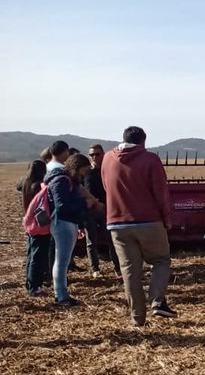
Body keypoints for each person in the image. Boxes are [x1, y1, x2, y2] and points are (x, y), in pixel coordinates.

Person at [102, 126, 176, 326]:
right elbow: (160, 192)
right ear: (143, 141)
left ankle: (137, 318)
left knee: (130, 271)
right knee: (161, 260)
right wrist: (166, 217)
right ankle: (157, 300)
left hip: (116, 222)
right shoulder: (150, 159)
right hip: (148, 220)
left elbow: (106, 186)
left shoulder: (108, 159)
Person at [45, 153, 95, 307]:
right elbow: (62, 207)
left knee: (62, 261)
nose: (85, 174)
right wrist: (84, 203)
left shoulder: (63, 180)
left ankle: (62, 294)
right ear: (77, 168)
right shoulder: (61, 181)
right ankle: (61, 296)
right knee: (61, 262)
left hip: (67, 223)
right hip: (62, 223)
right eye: (84, 170)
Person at [18, 160, 52, 297]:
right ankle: (34, 286)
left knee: (31, 254)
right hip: (39, 224)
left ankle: (30, 282)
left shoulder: (25, 184)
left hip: (29, 222)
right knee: (38, 256)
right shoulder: (38, 185)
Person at [84, 144, 117, 277]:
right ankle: (95, 269)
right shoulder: (86, 173)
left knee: (112, 239)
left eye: (97, 154)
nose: (94, 157)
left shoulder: (109, 171)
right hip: (89, 210)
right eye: (92, 155)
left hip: (106, 209)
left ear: (103, 154)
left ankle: (117, 267)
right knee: (91, 241)